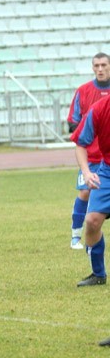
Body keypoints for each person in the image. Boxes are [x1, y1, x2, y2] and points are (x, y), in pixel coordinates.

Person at [66, 53, 110, 249]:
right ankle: (76, 235)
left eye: (103, 65)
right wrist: (87, 129)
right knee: (84, 192)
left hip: (106, 157)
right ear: (92, 68)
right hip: (91, 156)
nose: (100, 69)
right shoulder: (83, 91)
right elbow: (72, 122)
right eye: (96, 65)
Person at [71, 93, 110, 287]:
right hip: (107, 172)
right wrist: (86, 173)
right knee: (92, 221)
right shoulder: (99, 109)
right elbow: (80, 144)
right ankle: (98, 274)